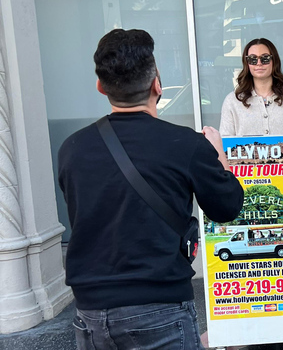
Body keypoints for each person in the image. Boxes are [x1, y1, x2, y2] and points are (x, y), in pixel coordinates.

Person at [58, 29, 244, 350]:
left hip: (89, 310)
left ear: (101, 87)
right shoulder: (187, 144)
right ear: (157, 85)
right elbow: (226, 208)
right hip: (159, 304)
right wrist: (221, 160)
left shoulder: (72, 147)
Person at [220, 37, 283, 136]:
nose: (259, 63)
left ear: (274, 61)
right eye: (252, 59)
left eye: (265, 58)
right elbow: (224, 144)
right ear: (247, 63)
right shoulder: (233, 101)